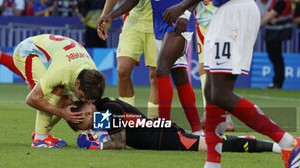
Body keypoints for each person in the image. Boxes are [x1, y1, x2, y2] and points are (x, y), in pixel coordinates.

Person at [162, 0, 300, 168]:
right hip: (224, 12)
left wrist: (182, 8)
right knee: (212, 93)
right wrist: (185, 12)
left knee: (220, 94)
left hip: (234, 11)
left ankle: (289, 143)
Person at [99, 0, 202, 134]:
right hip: (159, 25)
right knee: (178, 74)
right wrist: (110, 16)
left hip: (178, 22)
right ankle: (196, 130)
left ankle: (163, 128)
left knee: (161, 70)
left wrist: (186, 14)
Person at [67, 97, 281, 155]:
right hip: (161, 132)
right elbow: (103, 129)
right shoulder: (105, 107)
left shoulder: (110, 108)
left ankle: (274, 146)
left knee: (217, 146)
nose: (87, 127)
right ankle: (248, 141)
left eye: (83, 123)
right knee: (214, 144)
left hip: (166, 137)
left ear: (87, 108)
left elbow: (118, 144)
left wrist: (93, 145)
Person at [13, 34, 106, 148]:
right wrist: (62, 113)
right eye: (82, 96)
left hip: (58, 56)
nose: (83, 101)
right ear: (77, 83)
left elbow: (94, 103)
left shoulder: (93, 74)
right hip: (29, 53)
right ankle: (40, 138)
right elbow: (32, 99)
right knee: (53, 92)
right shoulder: (62, 71)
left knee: (66, 100)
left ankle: (42, 133)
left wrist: (99, 131)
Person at [97, 0, 159, 119]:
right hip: (133, 24)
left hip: (158, 26)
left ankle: (153, 121)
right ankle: (127, 118)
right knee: (122, 71)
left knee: (155, 76)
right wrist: (104, 17)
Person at [195, 0, 235, 131]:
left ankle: (217, 115)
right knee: (207, 68)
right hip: (206, 20)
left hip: (213, 19)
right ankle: (217, 115)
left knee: (210, 68)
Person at [261, 0, 293, 89]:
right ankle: (277, 82)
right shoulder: (275, 1)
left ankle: (278, 82)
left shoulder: (281, 2)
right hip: (274, 33)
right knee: (275, 57)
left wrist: (258, 26)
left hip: (276, 33)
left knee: (276, 57)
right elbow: (269, 15)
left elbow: (269, 16)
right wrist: (268, 17)